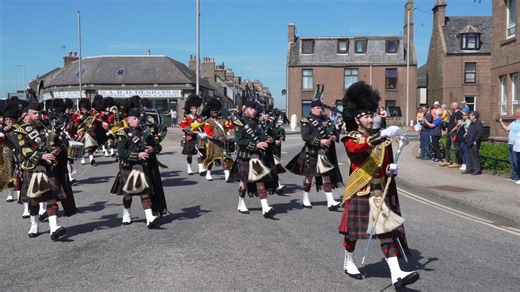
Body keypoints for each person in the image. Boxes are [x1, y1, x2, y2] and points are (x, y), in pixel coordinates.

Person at [339, 81, 418, 289]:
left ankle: (396, 275)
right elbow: (359, 148)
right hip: (359, 190)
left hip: (377, 192)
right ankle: (349, 261)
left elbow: (384, 164)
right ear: (356, 118)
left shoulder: (381, 140)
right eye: (365, 115)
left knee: (386, 233)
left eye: (370, 114)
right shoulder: (350, 138)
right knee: (352, 234)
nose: (369, 118)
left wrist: (391, 169)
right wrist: (381, 135)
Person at [13, 102, 68, 240]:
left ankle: (54, 227)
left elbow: (63, 140)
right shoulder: (19, 130)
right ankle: (34, 225)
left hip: (49, 167)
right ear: (28, 114)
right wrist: (41, 156)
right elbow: (24, 149)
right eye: (35, 113)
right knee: (33, 201)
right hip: (32, 168)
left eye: (39, 113)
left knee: (51, 198)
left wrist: (59, 148)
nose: (38, 116)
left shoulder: (47, 126)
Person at [285, 99, 342, 210]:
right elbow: (305, 137)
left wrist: (334, 137)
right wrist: (320, 141)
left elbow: (334, 131)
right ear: (312, 109)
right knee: (309, 177)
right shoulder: (306, 120)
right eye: (317, 108)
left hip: (324, 153)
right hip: (311, 153)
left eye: (321, 108)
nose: (320, 110)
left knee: (326, 176)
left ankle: (330, 201)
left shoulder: (326, 119)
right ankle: (305, 199)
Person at [110, 108, 162, 228]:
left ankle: (149, 218)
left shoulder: (145, 132)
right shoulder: (122, 133)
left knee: (145, 193)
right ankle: (126, 213)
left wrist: (152, 149)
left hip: (142, 167)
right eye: (135, 118)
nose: (137, 120)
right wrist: (137, 155)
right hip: (128, 167)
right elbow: (121, 152)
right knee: (128, 195)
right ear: (128, 120)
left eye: (138, 118)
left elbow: (158, 147)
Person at [229, 99, 277, 218]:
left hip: (256, 157)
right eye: (251, 109)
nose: (254, 111)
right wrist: (256, 145)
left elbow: (262, 136)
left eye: (255, 109)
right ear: (246, 110)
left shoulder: (259, 123)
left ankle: (265, 208)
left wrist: (268, 139)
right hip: (244, 156)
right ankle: (241, 203)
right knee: (244, 182)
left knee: (260, 181)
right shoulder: (239, 123)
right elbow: (240, 141)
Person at [201, 98, 234, 181]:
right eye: (213, 110)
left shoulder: (223, 120)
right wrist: (217, 137)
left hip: (222, 143)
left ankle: (227, 175)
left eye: (216, 110)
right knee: (211, 159)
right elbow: (208, 132)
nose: (215, 111)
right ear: (209, 111)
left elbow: (229, 127)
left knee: (225, 159)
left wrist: (233, 123)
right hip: (212, 143)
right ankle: (208, 173)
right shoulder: (208, 121)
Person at [179, 94, 204, 175]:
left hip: (198, 137)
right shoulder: (187, 117)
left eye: (196, 108)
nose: (195, 110)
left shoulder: (199, 118)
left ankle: (201, 169)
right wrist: (189, 129)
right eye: (193, 108)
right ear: (190, 109)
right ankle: (189, 168)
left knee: (200, 153)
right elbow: (182, 125)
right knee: (190, 154)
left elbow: (202, 126)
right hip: (190, 137)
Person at [498, 107, 520, 183]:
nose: (514, 113)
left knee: (516, 160)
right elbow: (507, 129)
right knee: (512, 160)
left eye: (516, 112)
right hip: (511, 143)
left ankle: (518, 176)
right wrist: (501, 122)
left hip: (516, 145)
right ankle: (513, 176)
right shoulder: (514, 122)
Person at [440, 102, 463, 168]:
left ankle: (456, 162)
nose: (451, 106)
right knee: (447, 146)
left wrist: (453, 130)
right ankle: (447, 160)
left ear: (456, 106)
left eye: (452, 105)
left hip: (454, 132)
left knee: (455, 147)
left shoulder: (459, 113)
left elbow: (459, 123)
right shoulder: (453, 113)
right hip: (449, 131)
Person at [462, 111, 483, 175]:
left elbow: (480, 133)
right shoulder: (471, 123)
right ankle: (469, 169)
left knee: (474, 156)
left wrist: (475, 141)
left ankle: (477, 170)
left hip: (474, 142)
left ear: (474, 116)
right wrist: (466, 134)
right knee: (469, 156)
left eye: (470, 115)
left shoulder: (478, 123)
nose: (469, 116)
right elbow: (469, 131)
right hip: (469, 141)